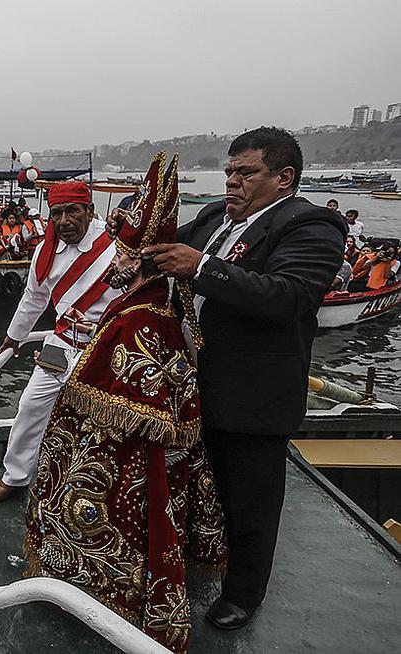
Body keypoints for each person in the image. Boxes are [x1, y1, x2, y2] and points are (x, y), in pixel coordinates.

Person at [109, 127, 345, 630]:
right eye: (229, 172)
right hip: (188, 389)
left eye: (246, 173)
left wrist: (202, 267)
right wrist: (136, 252)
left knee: (250, 501)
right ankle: (195, 560)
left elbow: (287, 296)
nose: (232, 182)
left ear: (284, 178)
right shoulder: (215, 216)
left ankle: (243, 592)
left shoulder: (312, 225)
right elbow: (163, 250)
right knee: (193, 486)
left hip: (252, 397)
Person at [26, 152, 226, 653]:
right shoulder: (153, 299)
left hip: (126, 451)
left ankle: (113, 591)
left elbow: (120, 389)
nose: (112, 261)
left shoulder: (141, 315)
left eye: (120, 254)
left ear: (136, 260)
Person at [0, 180, 120, 503]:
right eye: (56, 214)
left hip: (105, 345)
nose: (64, 221)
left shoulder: (116, 246)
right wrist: (13, 337)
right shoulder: (45, 251)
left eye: (72, 211)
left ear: (90, 210)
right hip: (62, 343)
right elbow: (34, 298)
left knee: (105, 419)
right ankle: (15, 476)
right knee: (30, 405)